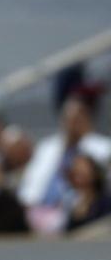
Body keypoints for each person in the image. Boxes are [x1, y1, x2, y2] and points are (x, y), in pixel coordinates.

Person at [18, 93, 111, 232]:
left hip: (80, 212)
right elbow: (30, 185)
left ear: (87, 120)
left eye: (77, 119)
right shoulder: (46, 147)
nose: (73, 124)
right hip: (39, 212)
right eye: (69, 119)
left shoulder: (104, 148)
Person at [65, 152, 111, 231]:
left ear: (94, 173)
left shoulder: (105, 201)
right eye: (75, 167)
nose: (78, 169)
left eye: (83, 167)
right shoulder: (68, 199)